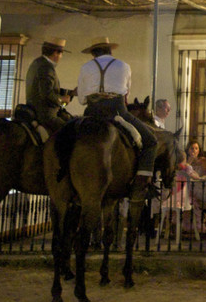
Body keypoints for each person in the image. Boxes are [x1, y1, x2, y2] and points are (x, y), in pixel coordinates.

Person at [75, 38, 159, 201]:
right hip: (117, 112)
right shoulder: (124, 66)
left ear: (93, 53)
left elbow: (82, 100)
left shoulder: (86, 67)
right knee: (151, 141)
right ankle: (139, 188)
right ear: (110, 51)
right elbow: (126, 92)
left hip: (91, 113)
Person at [24, 38, 74, 136]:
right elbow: (46, 94)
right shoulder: (47, 67)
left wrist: (71, 93)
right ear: (56, 53)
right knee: (70, 133)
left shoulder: (37, 62)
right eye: (61, 53)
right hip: (45, 114)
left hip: (33, 108)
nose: (61, 57)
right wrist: (62, 100)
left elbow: (48, 88)